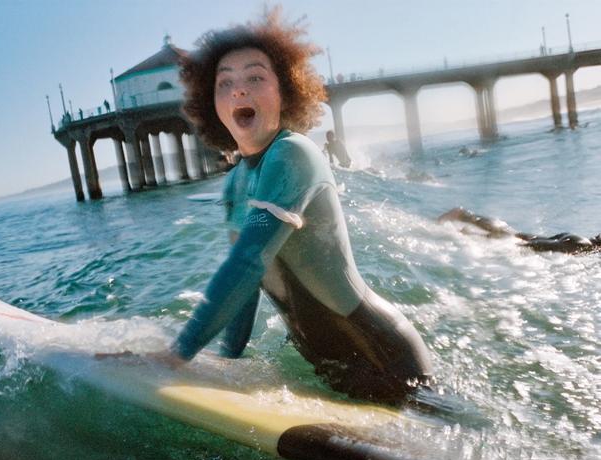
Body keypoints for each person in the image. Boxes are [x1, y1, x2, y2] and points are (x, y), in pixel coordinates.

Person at [100, 9, 433, 404]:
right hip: (328, 363)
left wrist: (176, 355)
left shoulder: (293, 155)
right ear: (213, 104)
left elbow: (248, 261)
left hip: (385, 358)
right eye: (225, 83)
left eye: (255, 77)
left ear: (286, 91)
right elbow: (245, 287)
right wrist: (228, 360)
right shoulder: (235, 182)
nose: (239, 90)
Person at [438, 207, 601, 254]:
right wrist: (515, 249)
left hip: (574, 238)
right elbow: (549, 246)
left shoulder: (586, 245)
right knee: (515, 239)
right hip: (576, 241)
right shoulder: (585, 246)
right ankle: (463, 215)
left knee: (513, 234)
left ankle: (466, 218)